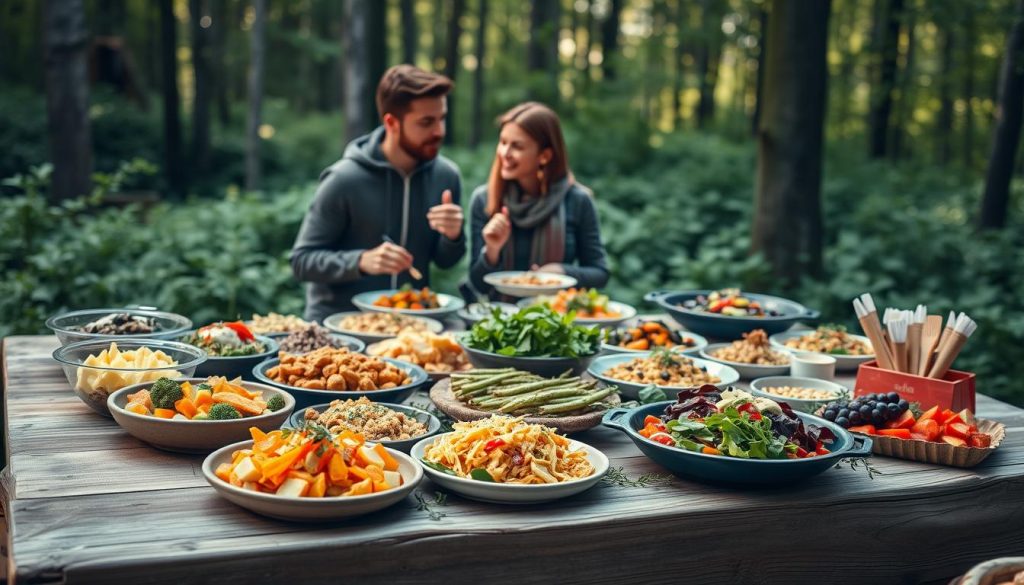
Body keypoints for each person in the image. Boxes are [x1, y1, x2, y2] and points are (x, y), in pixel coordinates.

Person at [290, 65, 466, 322]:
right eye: (427, 122)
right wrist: (361, 261)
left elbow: (445, 261)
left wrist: (452, 236)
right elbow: (302, 261)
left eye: (442, 118)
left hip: (409, 325)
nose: (439, 131)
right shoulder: (343, 179)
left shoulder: (446, 176)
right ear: (392, 123)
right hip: (339, 326)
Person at [468, 102, 609, 298]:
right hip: (498, 321)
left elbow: (600, 273)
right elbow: (478, 285)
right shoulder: (484, 199)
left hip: (554, 320)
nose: (504, 154)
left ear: (544, 155)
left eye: (517, 146)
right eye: (502, 142)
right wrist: (492, 250)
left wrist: (562, 272)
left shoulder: (578, 201)